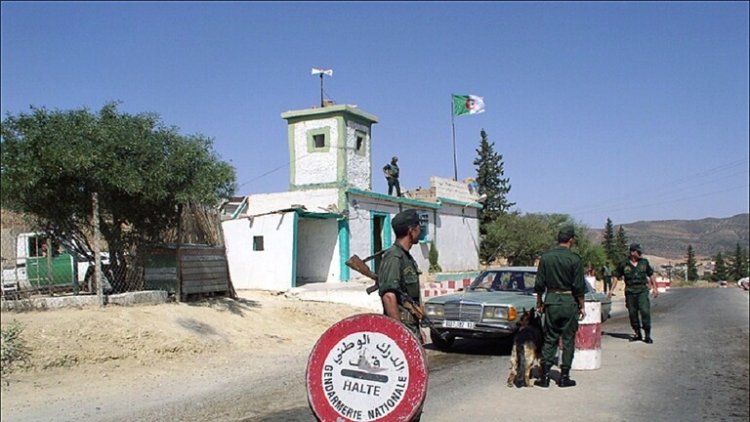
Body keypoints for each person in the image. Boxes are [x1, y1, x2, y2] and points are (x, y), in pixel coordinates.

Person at [534, 224, 587, 388]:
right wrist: (582, 306)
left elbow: (539, 284)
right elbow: (578, 286)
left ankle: (544, 376)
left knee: (550, 338)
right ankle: (564, 376)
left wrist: (540, 303)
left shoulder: (546, 257)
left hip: (551, 301)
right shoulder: (575, 259)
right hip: (569, 301)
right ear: (571, 240)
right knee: (568, 340)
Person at [378, 209, 424, 343]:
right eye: (418, 227)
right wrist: (398, 334)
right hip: (402, 330)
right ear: (411, 231)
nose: (420, 230)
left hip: (411, 326)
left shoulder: (405, 257)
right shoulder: (394, 256)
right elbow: (389, 296)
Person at [611, 243, 658, 344]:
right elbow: (616, 276)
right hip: (630, 292)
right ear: (632, 252)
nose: (640, 253)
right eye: (638, 251)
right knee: (632, 313)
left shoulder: (644, 262)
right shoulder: (624, 264)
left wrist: (655, 288)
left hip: (642, 290)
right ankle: (637, 333)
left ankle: (647, 335)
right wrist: (611, 290)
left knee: (645, 311)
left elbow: (651, 275)